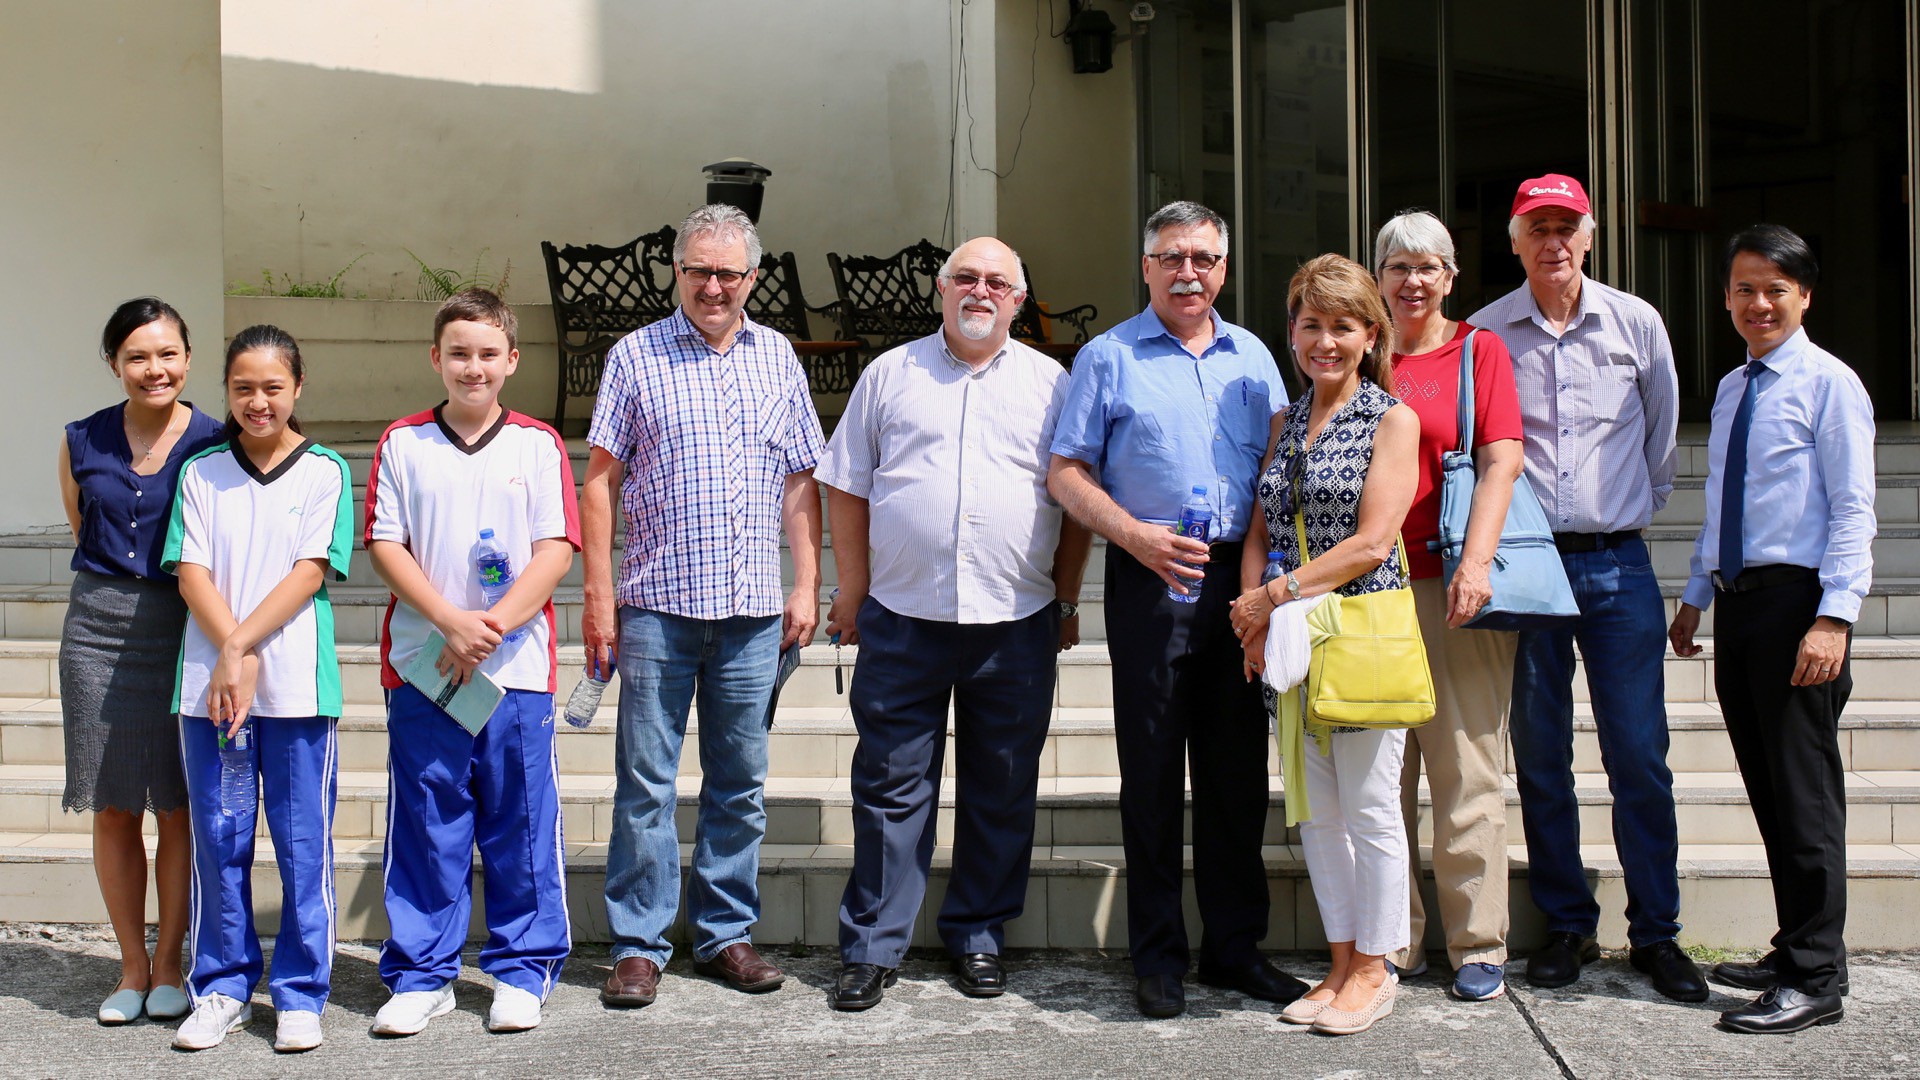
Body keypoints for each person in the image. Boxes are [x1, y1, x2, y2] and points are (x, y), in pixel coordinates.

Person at [817, 237, 1092, 1010]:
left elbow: (1077, 500)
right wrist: (852, 588)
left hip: (1016, 619)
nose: (980, 291)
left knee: (1001, 787)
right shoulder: (890, 374)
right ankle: (872, 946)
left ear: (1018, 301)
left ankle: (978, 933)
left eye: (998, 282)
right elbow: (847, 485)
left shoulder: (1052, 384)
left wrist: (1068, 599)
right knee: (889, 788)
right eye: (965, 277)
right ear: (941, 290)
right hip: (903, 619)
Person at [1048, 200, 1304, 1019]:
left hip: (1241, 580)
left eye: (1202, 258)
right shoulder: (1108, 357)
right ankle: (1157, 955)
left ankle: (1235, 949)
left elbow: (1277, 469)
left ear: (1222, 269)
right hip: (1149, 577)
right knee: (1153, 770)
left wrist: (1268, 584)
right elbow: (1066, 473)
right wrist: (1134, 536)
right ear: (1147, 268)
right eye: (1171, 258)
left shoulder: (1255, 356)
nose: (1187, 273)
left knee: (1236, 774)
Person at [1469, 174, 1705, 1002]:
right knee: (1541, 753)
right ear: (1515, 241)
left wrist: (1626, 510)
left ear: (1590, 236)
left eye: (1566, 227)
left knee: (1638, 752)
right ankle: (1567, 923)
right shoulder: (1486, 332)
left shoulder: (1635, 322)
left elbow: (1660, 438)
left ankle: (1657, 933)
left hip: (1617, 564)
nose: (1553, 242)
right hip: (1528, 565)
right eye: (1537, 228)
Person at [584, 204, 825, 1007]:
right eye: (698, 270)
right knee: (645, 784)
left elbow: (800, 479)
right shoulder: (635, 355)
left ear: (752, 277)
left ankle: (725, 933)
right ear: (677, 272)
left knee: (740, 782)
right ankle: (638, 945)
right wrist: (597, 595)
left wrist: (805, 583)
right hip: (657, 607)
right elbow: (600, 481)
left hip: (753, 612)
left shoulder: (778, 356)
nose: (713, 286)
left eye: (728, 273)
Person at [1669, 225, 1874, 1034]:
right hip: (1742, 604)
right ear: (1726, 298)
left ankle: (1816, 978)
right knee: (1769, 789)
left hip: (1800, 606)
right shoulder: (1733, 387)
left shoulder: (1830, 384)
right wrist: (1695, 594)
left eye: (1776, 290)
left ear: (1805, 296)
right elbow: (1726, 498)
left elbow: (1854, 510)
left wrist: (1834, 617)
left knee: (1805, 797)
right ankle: (1796, 948)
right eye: (1745, 289)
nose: (1760, 303)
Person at [364, 290, 580, 1036]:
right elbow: (385, 544)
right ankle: (423, 975)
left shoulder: (538, 444)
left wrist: (489, 627)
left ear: (512, 360)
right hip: (424, 665)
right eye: (458, 353)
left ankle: (523, 970)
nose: (473, 367)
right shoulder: (403, 442)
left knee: (521, 822)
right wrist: (448, 622)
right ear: (436, 358)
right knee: (429, 821)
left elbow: (555, 550)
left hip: (513, 669)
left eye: (488, 353)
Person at [1227, 253, 1418, 1035]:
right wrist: (1252, 616)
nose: (1326, 341)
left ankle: (1376, 969)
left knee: (1370, 808)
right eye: (1312, 325)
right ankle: (1340, 964)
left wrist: (1271, 597)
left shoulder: (1391, 419)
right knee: (1319, 813)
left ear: (1371, 335)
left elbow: (1372, 543)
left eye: (1343, 326)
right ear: (1293, 332)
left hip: (1360, 632)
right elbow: (1261, 528)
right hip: (1292, 643)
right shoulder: (1286, 421)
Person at [161, 325, 352, 1052]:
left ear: (298, 387)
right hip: (211, 692)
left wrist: (238, 647)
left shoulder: (325, 470)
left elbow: (310, 571)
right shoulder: (201, 471)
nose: (258, 401)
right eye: (243, 388)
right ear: (227, 391)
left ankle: (301, 994)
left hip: (296, 687)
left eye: (273, 387)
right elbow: (191, 571)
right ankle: (222, 987)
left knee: (303, 843)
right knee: (220, 838)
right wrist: (228, 655)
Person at [1370, 212, 1526, 1001]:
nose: (1412, 281)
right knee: (1382, 776)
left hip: (1454, 584)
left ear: (1451, 277)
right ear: (1378, 278)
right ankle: (1393, 939)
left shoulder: (1477, 351)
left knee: (1465, 768)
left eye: (1427, 266)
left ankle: (1477, 944)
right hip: (1371, 589)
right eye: (1398, 266)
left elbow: (1502, 459)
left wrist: (1476, 564)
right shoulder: (1362, 353)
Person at [56, 297, 226, 1026]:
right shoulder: (80, 438)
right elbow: (82, 526)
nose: (154, 369)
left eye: (166, 354)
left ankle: (169, 966)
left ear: (187, 358)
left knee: (178, 803)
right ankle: (130, 967)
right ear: (114, 363)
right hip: (96, 632)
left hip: (184, 626)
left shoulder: (217, 441)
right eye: (136, 357)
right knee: (115, 804)